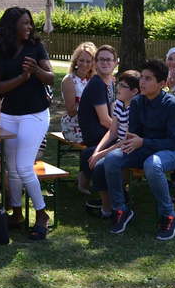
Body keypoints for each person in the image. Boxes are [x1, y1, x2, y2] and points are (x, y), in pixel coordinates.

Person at [90, 59, 175, 241]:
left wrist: (144, 142)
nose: (142, 82)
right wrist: (127, 145)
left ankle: (169, 214)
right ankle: (120, 209)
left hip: (170, 152)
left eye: (148, 79)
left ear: (162, 83)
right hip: (142, 148)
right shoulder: (137, 102)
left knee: (152, 165)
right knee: (112, 159)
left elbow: (174, 142)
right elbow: (133, 135)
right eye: (142, 78)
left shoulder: (171, 104)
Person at [0, 6, 55, 240]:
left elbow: (51, 78)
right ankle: (16, 213)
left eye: (29, 23)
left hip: (35, 114)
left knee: (24, 167)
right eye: (24, 23)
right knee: (12, 168)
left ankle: (42, 214)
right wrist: (22, 78)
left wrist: (35, 70)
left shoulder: (36, 46)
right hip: (10, 114)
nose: (29, 27)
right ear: (12, 25)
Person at [84, 69, 140, 216]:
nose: (118, 88)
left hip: (130, 147)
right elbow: (112, 132)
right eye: (118, 84)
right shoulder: (119, 104)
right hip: (119, 144)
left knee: (100, 165)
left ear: (134, 91)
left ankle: (108, 208)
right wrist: (97, 151)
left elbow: (126, 141)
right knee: (89, 154)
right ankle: (106, 199)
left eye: (122, 86)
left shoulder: (135, 109)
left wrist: (100, 154)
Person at [76, 44, 118, 193]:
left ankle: (87, 179)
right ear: (95, 63)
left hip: (104, 133)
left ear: (115, 63)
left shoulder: (110, 82)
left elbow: (113, 113)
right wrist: (123, 132)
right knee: (125, 146)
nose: (105, 63)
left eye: (109, 59)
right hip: (95, 135)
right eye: (101, 59)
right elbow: (105, 120)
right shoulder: (97, 84)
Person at [60, 42, 96, 143]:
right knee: (99, 139)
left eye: (88, 61)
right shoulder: (69, 80)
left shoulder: (95, 80)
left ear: (93, 63)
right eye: (81, 60)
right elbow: (71, 111)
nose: (84, 64)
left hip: (92, 123)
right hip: (74, 125)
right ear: (76, 61)